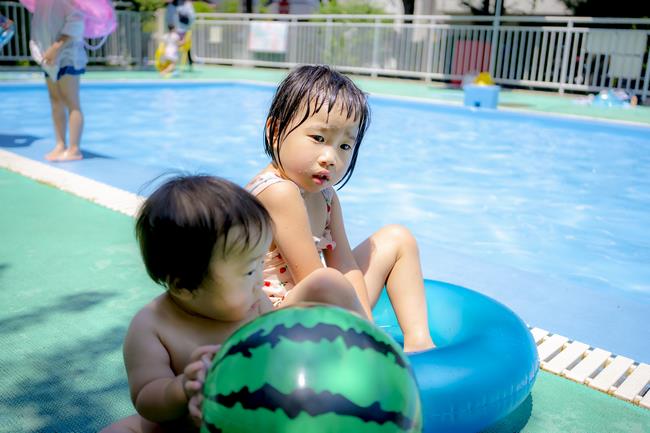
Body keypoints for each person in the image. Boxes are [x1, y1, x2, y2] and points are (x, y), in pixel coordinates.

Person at [100, 175, 364, 433]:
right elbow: (147, 399)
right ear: (183, 285)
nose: (260, 281)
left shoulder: (256, 304)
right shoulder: (152, 327)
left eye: (261, 263)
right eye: (249, 271)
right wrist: (182, 389)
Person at [247, 65, 435, 352]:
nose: (330, 157)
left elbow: (345, 266)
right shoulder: (277, 190)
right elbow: (314, 280)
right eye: (319, 139)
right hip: (270, 321)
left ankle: (419, 344)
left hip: (319, 301)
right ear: (275, 131)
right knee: (327, 278)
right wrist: (367, 335)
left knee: (398, 239)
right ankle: (373, 349)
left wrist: (367, 323)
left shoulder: (326, 196)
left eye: (345, 146)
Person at [29, 0, 87, 161]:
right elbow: (39, 26)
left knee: (71, 100)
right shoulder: (41, 3)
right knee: (55, 101)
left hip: (68, 55)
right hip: (48, 57)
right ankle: (60, 144)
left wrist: (56, 47)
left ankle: (74, 148)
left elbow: (76, 21)